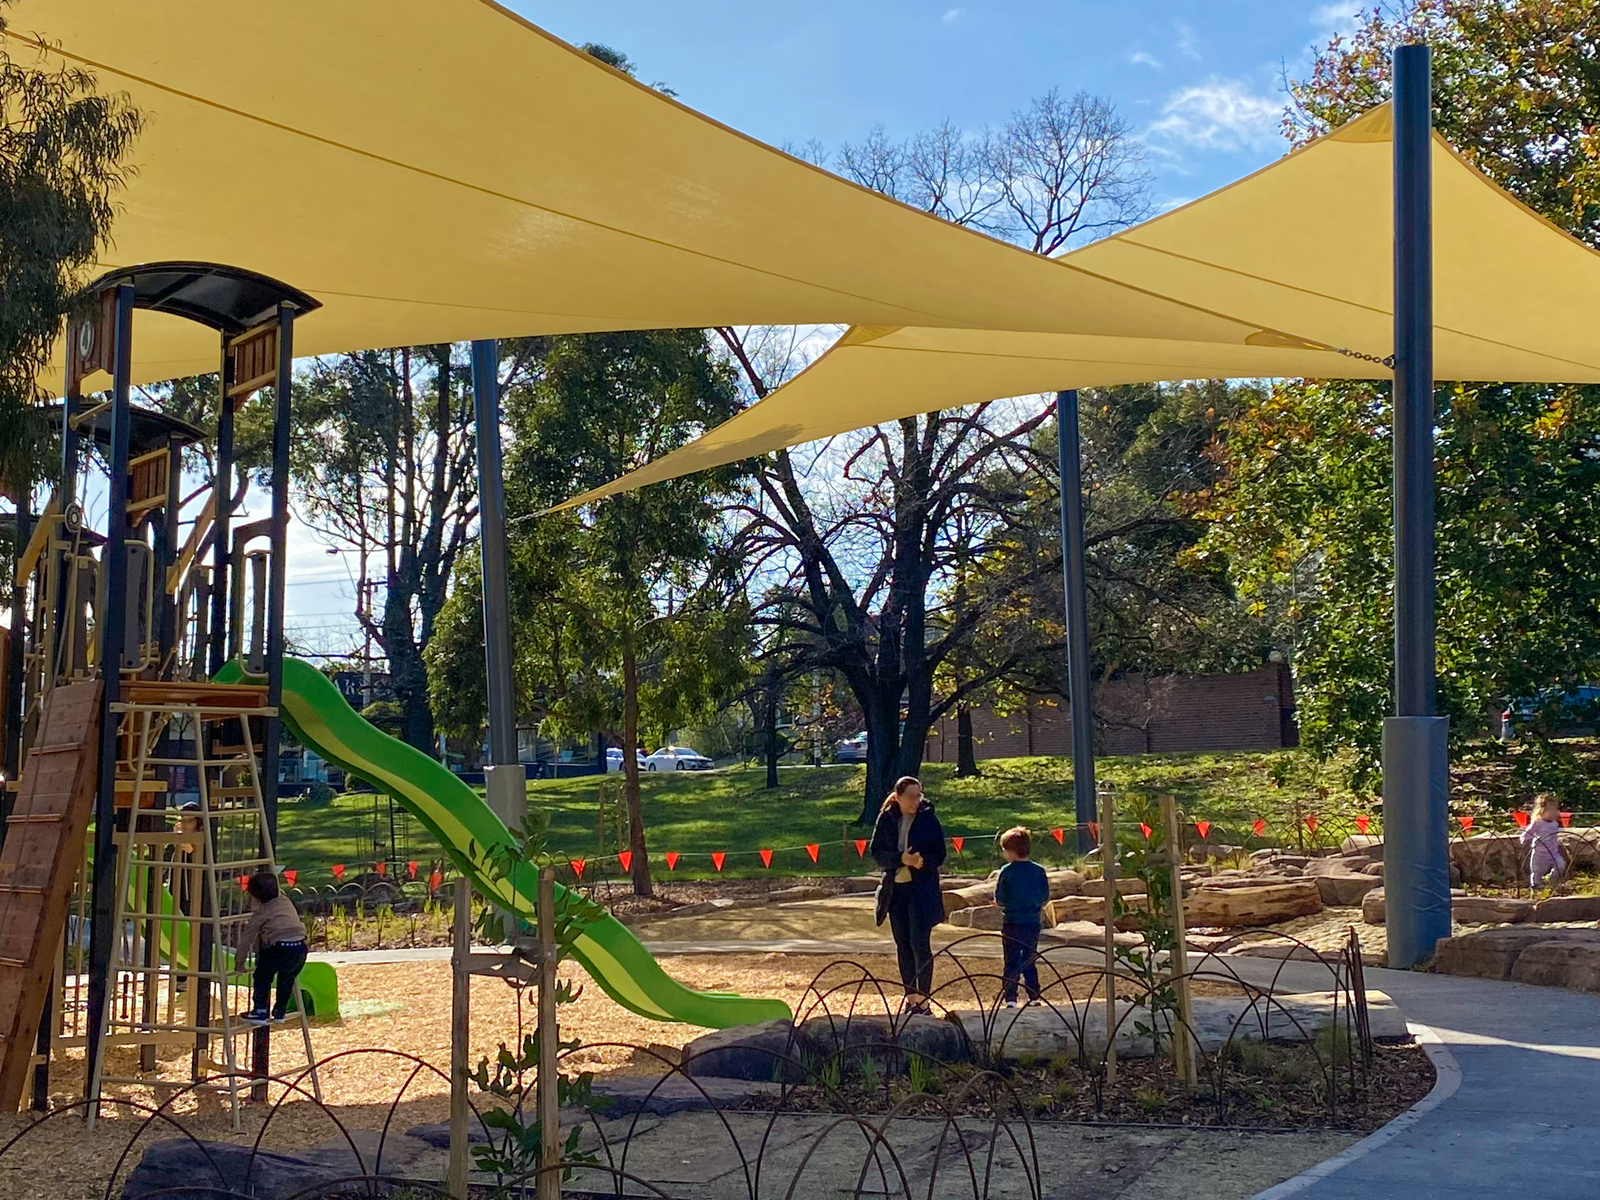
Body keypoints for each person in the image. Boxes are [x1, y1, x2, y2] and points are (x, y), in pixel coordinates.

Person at [871, 776, 946, 1014]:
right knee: (902, 944)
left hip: (921, 890)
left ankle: (924, 1001)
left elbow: (940, 853)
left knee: (919, 943)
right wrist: (900, 859)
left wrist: (922, 862)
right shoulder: (887, 817)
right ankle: (911, 998)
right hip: (897, 890)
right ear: (899, 797)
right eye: (912, 797)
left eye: (919, 796)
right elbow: (877, 851)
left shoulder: (928, 819)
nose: (916, 801)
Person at [238, 869, 308, 1022]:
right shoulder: (285, 901)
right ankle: (279, 1012)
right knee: (287, 979)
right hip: (300, 947)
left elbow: (247, 938)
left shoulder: (262, 913)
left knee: (262, 977)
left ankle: (260, 1010)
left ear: (255, 898)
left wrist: (239, 963)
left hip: (279, 947)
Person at [995, 827, 1049, 1007]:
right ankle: (1034, 995)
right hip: (1032, 921)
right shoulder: (1039, 871)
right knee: (1029, 958)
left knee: (1011, 960)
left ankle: (1010, 997)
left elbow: (1000, 898)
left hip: (1011, 921)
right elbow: (1044, 897)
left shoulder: (1007, 871)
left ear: (1011, 851)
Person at [1521, 794, 1567, 891]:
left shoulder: (1555, 824)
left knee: (1561, 864)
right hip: (1539, 853)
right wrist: (1524, 838)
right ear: (1542, 811)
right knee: (1537, 871)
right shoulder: (1538, 823)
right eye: (1551, 810)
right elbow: (1528, 832)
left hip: (1553, 853)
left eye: (1555, 810)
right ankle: (1535, 886)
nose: (1554, 813)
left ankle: (1552, 880)